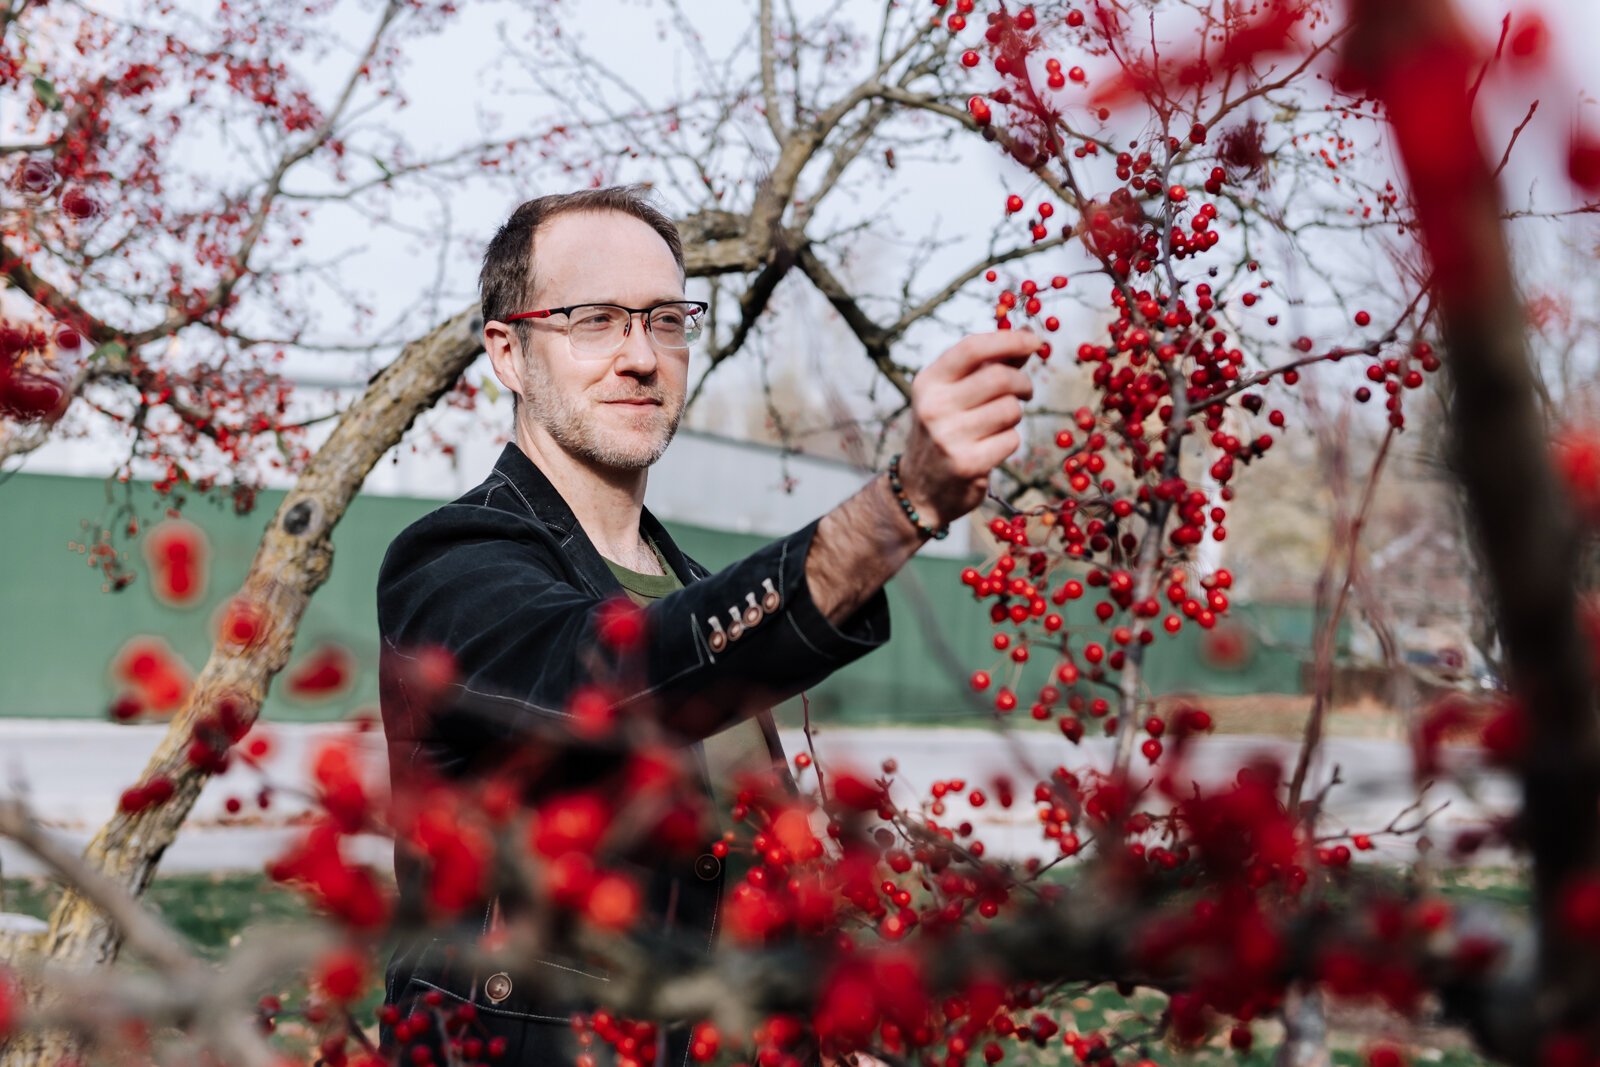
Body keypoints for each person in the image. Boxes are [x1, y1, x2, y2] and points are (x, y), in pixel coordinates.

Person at [376, 185, 1037, 1066]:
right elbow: (617, 682)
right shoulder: (450, 561)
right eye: (594, 320)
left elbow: (739, 892)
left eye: (666, 320)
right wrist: (899, 507)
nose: (641, 356)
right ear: (508, 353)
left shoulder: (686, 583)